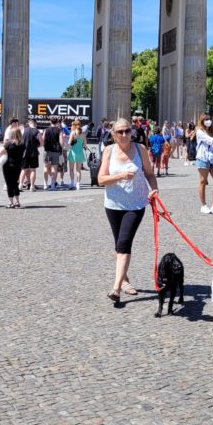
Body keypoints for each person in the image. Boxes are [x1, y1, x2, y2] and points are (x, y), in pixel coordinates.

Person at [98, 118, 158, 305]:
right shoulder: (109, 151)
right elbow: (101, 179)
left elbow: (149, 173)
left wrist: (154, 189)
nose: (124, 134)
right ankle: (124, 279)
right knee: (119, 244)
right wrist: (121, 176)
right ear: (114, 135)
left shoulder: (140, 149)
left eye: (127, 130)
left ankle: (116, 289)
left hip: (136, 204)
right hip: (113, 204)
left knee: (124, 242)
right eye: (120, 132)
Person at [195, 112, 213, 215]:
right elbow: (209, 141)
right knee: (203, 181)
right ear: (202, 121)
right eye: (206, 119)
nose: (208, 121)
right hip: (203, 158)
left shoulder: (212, 131)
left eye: (209, 119)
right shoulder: (199, 131)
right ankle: (204, 205)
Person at [3, 125, 25, 208]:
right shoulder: (22, 144)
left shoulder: (8, 144)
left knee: (9, 183)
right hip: (18, 165)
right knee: (15, 183)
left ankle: (11, 202)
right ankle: (17, 201)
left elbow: (0, 152)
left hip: (8, 165)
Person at [20, 119, 41, 191]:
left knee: (23, 169)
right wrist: (36, 145)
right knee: (33, 170)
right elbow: (41, 143)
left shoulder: (23, 130)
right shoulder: (37, 131)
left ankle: (20, 185)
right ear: (35, 123)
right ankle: (32, 186)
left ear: (29, 123)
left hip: (24, 153)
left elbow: (20, 141)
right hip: (34, 153)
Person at [43, 117, 63, 190]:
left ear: (50, 122)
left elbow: (43, 139)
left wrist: (44, 146)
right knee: (54, 168)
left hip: (47, 151)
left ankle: (45, 184)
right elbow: (61, 142)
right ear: (57, 122)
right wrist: (62, 149)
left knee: (46, 167)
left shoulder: (46, 130)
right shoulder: (59, 131)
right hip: (55, 151)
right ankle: (52, 184)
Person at [67, 120, 87, 190]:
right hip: (80, 153)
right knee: (78, 170)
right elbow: (85, 145)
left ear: (74, 125)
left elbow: (69, 143)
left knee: (71, 169)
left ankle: (72, 183)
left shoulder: (73, 132)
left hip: (73, 153)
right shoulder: (83, 134)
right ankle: (78, 184)